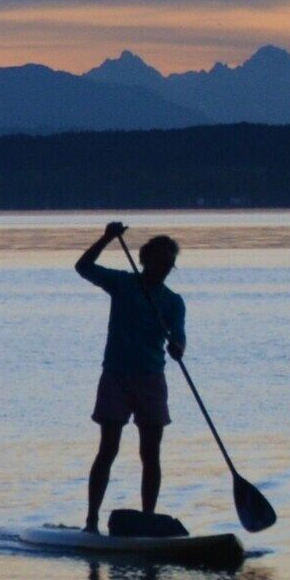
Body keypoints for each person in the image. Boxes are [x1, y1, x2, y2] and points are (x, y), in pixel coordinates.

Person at [73, 219, 188, 533]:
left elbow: (179, 339)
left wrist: (178, 347)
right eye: (160, 262)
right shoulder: (122, 284)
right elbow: (82, 267)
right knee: (108, 449)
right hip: (116, 378)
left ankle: (148, 520)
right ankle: (91, 521)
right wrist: (107, 238)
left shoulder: (173, 302)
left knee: (151, 454)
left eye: (169, 264)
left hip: (151, 380)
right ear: (145, 260)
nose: (164, 268)